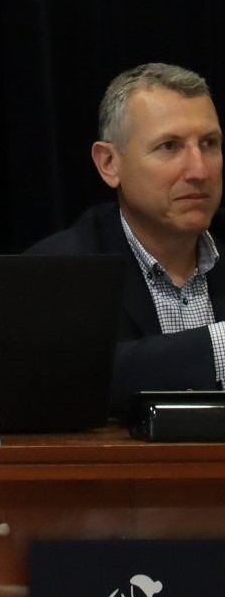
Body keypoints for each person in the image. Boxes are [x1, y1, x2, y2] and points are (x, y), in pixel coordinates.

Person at [27, 63, 225, 414]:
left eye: (209, 144)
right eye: (169, 146)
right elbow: (68, 378)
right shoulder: (57, 270)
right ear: (109, 163)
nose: (199, 170)